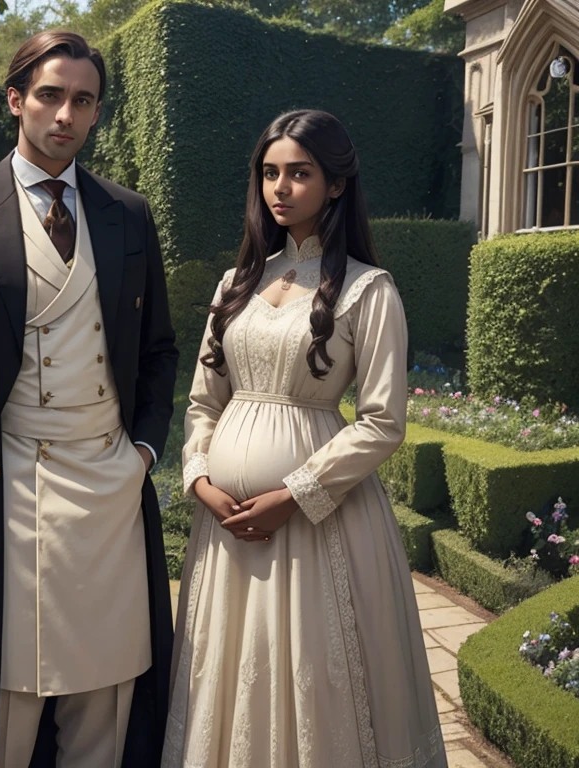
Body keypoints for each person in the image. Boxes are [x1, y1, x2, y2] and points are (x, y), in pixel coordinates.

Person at [0, 30, 177, 768]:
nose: (65, 115)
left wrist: (142, 451)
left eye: (83, 100)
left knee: (105, 701)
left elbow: (159, 350)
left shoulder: (128, 214)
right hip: (3, 485)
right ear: (16, 99)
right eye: (50, 95)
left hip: (110, 485)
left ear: (96, 112)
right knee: (2, 703)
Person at [162, 110, 447, 767]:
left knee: (315, 672)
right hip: (224, 530)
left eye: (299, 172)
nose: (280, 187)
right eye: (270, 173)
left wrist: (294, 493)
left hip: (322, 527)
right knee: (229, 672)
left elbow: (382, 420)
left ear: (336, 184)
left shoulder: (369, 290)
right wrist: (199, 481)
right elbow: (205, 400)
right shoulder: (234, 285)